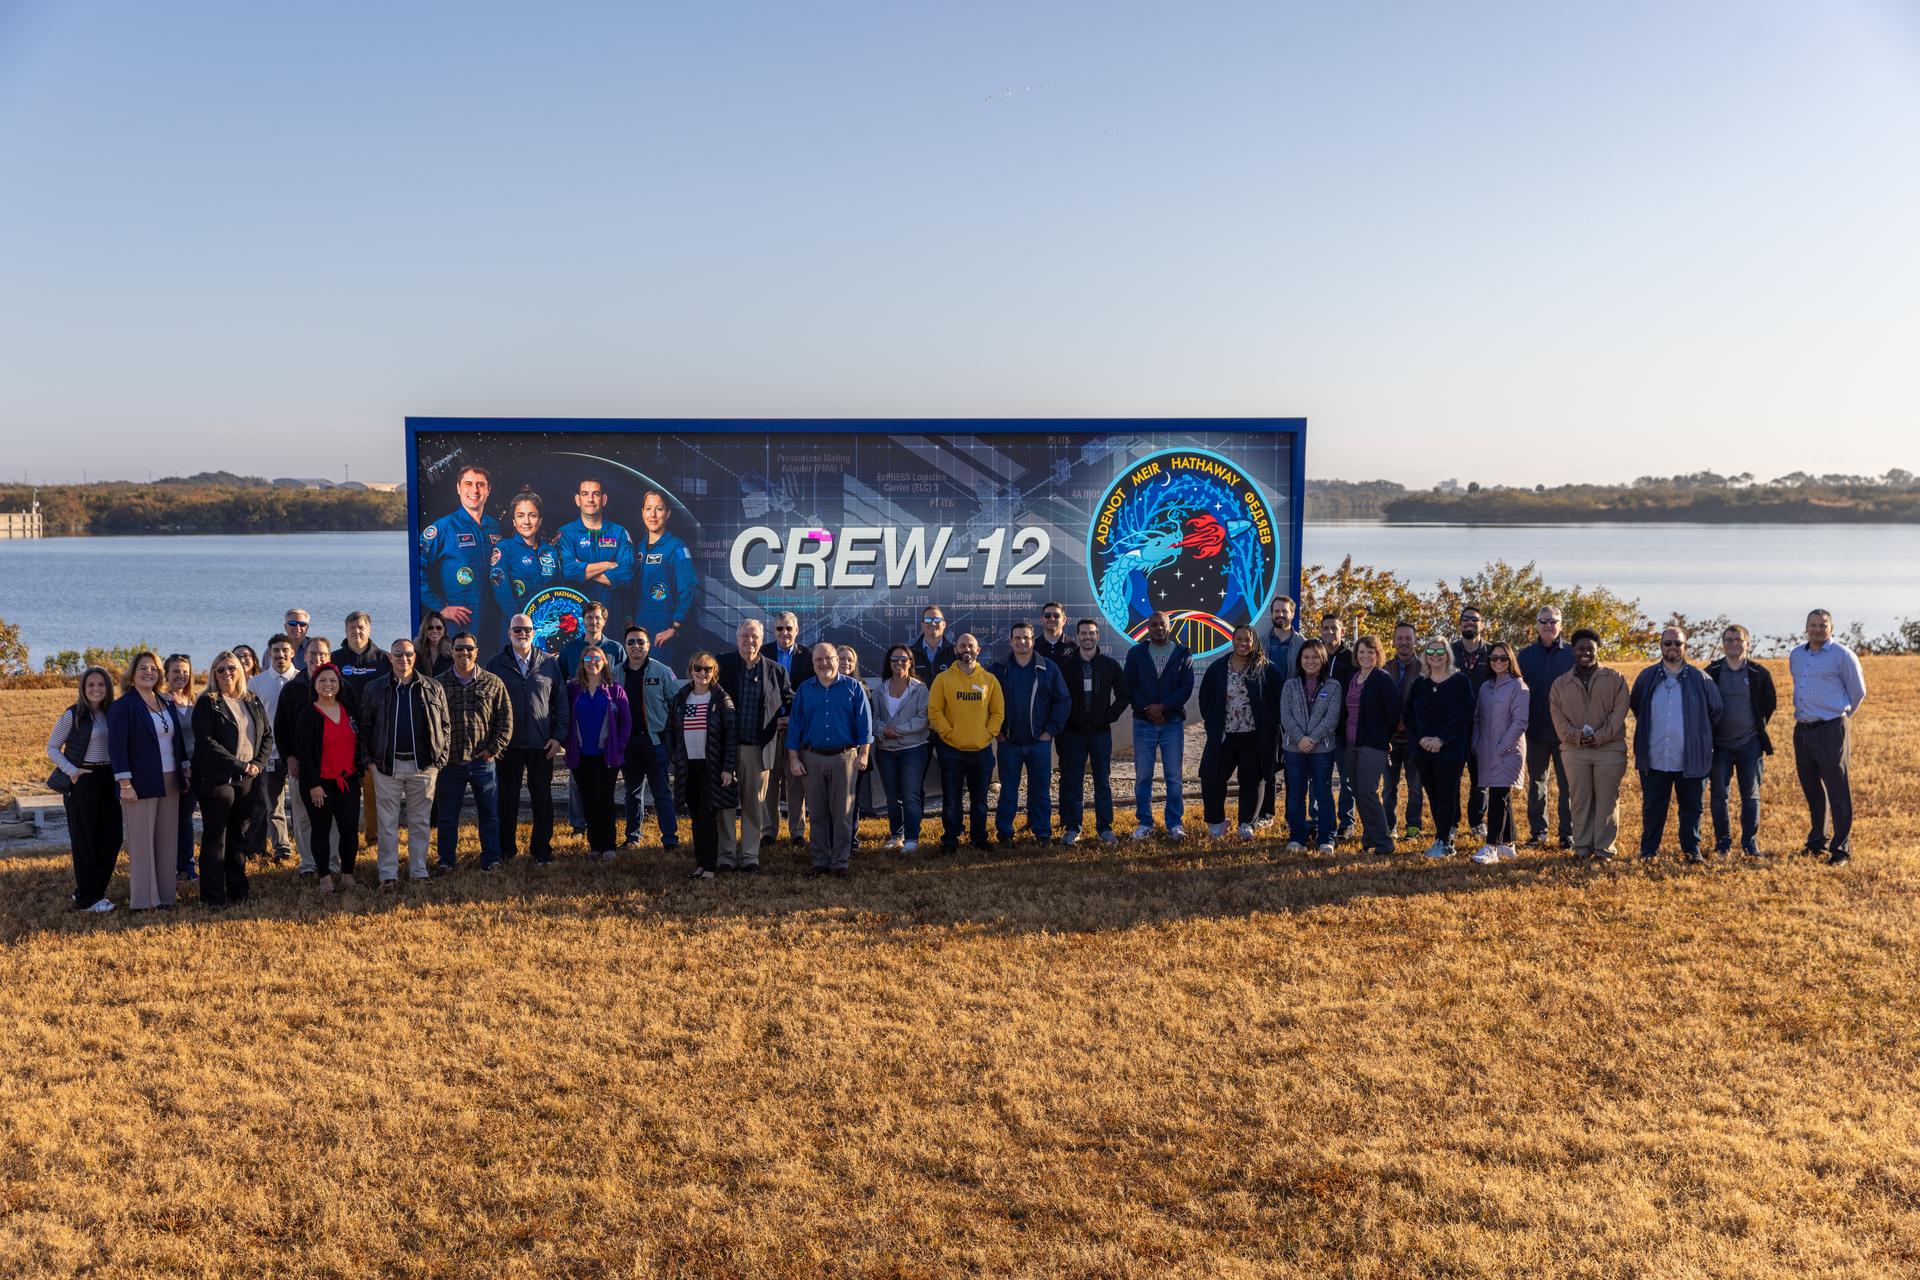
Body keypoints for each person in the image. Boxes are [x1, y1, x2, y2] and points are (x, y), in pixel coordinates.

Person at [1630, 626, 1724, 864]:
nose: (1673, 647)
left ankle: (1692, 850)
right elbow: (1637, 706)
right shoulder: (1647, 677)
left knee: (1692, 808)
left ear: (1685, 647)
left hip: (1690, 758)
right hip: (1655, 756)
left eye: (1678, 643)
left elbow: (1716, 712)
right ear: (1660, 646)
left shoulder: (1701, 679)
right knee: (1653, 807)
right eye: (1668, 643)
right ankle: (1648, 851)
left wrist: (1699, 737)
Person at [361, 639, 451, 886]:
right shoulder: (375, 688)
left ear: (415, 656)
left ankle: (418, 872)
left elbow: (445, 725)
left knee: (420, 822)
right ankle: (388, 874)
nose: (404, 659)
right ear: (390, 658)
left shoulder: (432, 687)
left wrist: (439, 760)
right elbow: (365, 727)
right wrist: (368, 761)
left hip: (422, 766)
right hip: (386, 766)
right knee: (387, 824)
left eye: (408, 654)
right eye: (398, 655)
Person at [485, 613, 571, 865]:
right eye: (517, 630)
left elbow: (561, 703)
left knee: (542, 798)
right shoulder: (495, 664)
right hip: (507, 745)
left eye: (527, 630)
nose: (522, 634)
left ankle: (541, 850)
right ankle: (506, 849)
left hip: (540, 744)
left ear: (535, 633)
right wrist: (493, 741)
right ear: (509, 633)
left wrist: (558, 737)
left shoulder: (548, 663)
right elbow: (486, 706)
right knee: (506, 799)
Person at [191, 651, 273, 906]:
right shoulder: (208, 702)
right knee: (216, 838)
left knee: (239, 837)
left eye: (231, 668)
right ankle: (213, 897)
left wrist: (257, 765)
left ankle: (239, 890)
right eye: (221, 669)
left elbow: (267, 736)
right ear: (214, 674)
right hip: (217, 780)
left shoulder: (253, 701)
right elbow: (207, 743)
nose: (227, 673)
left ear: (240, 670)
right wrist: (240, 765)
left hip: (248, 779)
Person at [785, 646, 874, 875]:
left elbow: (865, 724)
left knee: (843, 814)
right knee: (817, 813)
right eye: (818, 660)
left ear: (837, 660)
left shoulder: (853, 687)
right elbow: (795, 727)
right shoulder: (805, 690)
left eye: (828, 658)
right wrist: (794, 759)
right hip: (812, 757)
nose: (824, 663)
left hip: (844, 758)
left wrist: (864, 753)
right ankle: (820, 862)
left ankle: (840, 863)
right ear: (813, 662)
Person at [1789, 609, 1867, 866]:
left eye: (1822, 625)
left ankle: (1841, 849)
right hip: (1803, 730)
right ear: (1806, 627)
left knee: (1837, 789)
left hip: (1831, 729)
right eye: (1813, 625)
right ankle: (1816, 842)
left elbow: (1858, 692)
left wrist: (1841, 717)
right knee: (1811, 788)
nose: (1817, 629)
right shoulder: (1797, 655)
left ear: (1831, 627)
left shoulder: (1842, 655)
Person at [108, 652, 186, 911]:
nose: (148, 672)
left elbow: (177, 741)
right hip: (138, 782)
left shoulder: (166, 701)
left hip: (170, 779)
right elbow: (117, 749)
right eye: (143, 668)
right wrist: (125, 785)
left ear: (159, 674)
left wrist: (184, 769)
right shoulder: (123, 706)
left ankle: (165, 897)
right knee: (142, 843)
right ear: (132, 673)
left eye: (153, 668)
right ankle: (143, 900)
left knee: (166, 840)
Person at [1549, 629, 1632, 861]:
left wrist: (1600, 736)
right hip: (1574, 750)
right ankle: (1582, 847)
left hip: (1609, 749)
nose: (1585, 652)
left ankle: (1604, 849)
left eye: (1590, 648)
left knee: (1607, 799)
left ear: (1597, 649)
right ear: (1573, 651)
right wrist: (1576, 736)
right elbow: (1557, 716)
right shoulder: (1560, 684)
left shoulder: (1615, 678)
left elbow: (1620, 711)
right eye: (1580, 648)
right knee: (1579, 799)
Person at [274, 634, 352, 876]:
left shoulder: (342, 687)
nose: (317, 658)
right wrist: (288, 757)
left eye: (323, 654)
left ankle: (331, 863)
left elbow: (353, 724)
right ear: (304, 656)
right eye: (313, 653)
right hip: (302, 766)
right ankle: (308, 864)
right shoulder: (292, 689)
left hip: (336, 768)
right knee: (304, 816)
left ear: (330, 657)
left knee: (333, 821)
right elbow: (281, 727)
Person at [434, 631, 513, 872]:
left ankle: (492, 859)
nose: (464, 653)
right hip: (451, 762)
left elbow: (505, 720)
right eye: (459, 648)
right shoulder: (439, 684)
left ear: (476, 652)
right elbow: (430, 722)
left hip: (483, 762)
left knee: (489, 814)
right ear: (452, 651)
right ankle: (446, 861)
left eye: (469, 648)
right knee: (447, 817)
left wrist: (492, 750)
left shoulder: (493, 682)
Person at [715, 619, 789, 871]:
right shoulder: (722, 664)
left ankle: (749, 856)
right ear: (737, 639)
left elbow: (789, 700)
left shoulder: (776, 670)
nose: (749, 641)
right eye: (745, 636)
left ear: (762, 639)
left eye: (754, 636)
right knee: (725, 804)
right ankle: (725, 856)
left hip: (758, 748)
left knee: (753, 805)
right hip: (725, 747)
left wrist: (785, 719)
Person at [47, 666, 121, 912]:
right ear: (83, 688)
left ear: (108, 687)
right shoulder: (73, 714)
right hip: (83, 779)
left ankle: (89, 892)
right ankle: (90, 898)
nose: (96, 689)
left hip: (108, 777)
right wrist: (72, 771)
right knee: (85, 840)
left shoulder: (114, 712)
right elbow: (52, 748)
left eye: (101, 684)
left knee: (111, 838)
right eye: (91, 685)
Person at [988, 621, 1070, 846]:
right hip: (1009, 743)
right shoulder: (998, 669)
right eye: (1017, 638)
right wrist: (998, 734)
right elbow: (985, 703)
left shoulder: (1049, 668)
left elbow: (1063, 702)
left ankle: (1042, 833)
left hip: (1039, 743)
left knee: (1041, 790)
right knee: (1008, 792)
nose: (1022, 642)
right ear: (1010, 641)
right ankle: (1005, 834)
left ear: (1033, 641)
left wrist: (1049, 732)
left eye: (1026, 638)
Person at [419, 464, 516, 650]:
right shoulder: (444, 527)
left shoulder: (494, 526)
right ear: (458, 488)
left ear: (488, 490)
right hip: (462, 621)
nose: (474, 490)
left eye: (480, 484)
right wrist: (440, 607)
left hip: (494, 617)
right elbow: (416, 566)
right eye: (468, 484)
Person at [1200, 624, 1283, 841]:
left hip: (1254, 736)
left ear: (1254, 642)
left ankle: (1247, 823)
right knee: (1212, 776)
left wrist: (1270, 725)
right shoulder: (1219, 668)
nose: (1243, 643)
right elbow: (1205, 698)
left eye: (1247, 640)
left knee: (1251, 780)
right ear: (1232, 640)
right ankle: (1217, 822)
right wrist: (1213, 725)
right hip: (1224, 735)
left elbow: (1279, 699)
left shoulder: (1265, 668)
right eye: (1239, 639)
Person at [1705, 624, 1777, 859]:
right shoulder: (1711, 672)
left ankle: (1749, 842)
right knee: (1718, 795)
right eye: (1729, 639)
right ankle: (1723, 843)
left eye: (1739, 640)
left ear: (1747, 643)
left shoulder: (1759, 673)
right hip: (1720, 745)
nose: (1734, 643)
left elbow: (1769, 705)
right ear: (1722, 643)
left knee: (1751, 795)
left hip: (1750, 744)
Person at [927, 634, 1003, 854]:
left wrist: (987, 734)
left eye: (970, 645)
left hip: (981, 751)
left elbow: (998, 712)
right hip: (951, 751)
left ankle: (979, 838)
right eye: (962, 645)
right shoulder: (943, 680)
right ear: (955, 650)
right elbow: (935, 711)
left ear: (978, 650)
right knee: (951, 800)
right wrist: (949, 734)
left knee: (980, 801)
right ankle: (950, 840)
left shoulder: (989, 680)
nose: (966, 648)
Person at [665, 651, 737, 879]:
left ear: (714, 672)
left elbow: (731, 736)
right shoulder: (680, 699)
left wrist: (728, 767)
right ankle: (700, 863)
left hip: (712, 767)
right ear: (691, 671)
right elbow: (669, 731)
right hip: (688, 767)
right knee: (696, 817)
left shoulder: (720, 699)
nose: (702, 673)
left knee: (708, 817)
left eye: (707, 669)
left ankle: (710, 866)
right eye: (698, 668)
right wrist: (674, 758)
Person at [558, 601, 628, 835]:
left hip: (606, 730)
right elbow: (560, 687)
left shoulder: (616, 648)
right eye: (589, 617)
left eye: (597, 617)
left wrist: (618, 740)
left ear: (604, 620)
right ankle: (579, 826)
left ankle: (605, 836)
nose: (593, 621)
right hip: (579, 732)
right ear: (583, 620)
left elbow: (620, 687)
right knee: (578, 785)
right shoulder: (570, 649)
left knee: (604, 790)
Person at [1124, 611, 1195, 840]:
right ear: (1148, 627)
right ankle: (1145, 823)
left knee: (1173, 777)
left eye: (1162, 624)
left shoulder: (1183, 653)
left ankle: (1174, 824)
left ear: (1169, 626)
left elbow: (1186, 688)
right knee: (1143, 776)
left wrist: (1163, 707)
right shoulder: (1136, 653)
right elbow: (1130, 686)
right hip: (1143, 723)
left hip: (1172, 723)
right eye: (1153, 624)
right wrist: (1148, 709)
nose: (1158, 628)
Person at [292, 663, 362, 893]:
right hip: (319, 783)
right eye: (322, 680)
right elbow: (305, 754)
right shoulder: (308, 714)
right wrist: (313, 785)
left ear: (340, 683)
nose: (328, 685)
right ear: (315, 684)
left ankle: (348, 873)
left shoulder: (350, 709)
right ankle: (324, 876)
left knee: (350, 829)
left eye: (332, 680)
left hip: (348, 780)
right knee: (321, 829)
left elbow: (359, 742)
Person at [1056, 619, 1127, 845]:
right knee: (1072, 780)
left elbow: (1124, 695)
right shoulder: (1066, 666)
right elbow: (1056, 697)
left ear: (1098, 636)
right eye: (1083, 633)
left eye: (1092, 633)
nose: (1088, 637)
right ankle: (1072, 827)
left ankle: (1105, 828)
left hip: (1100, 733)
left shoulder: (1109, 665)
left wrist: (1109, 716)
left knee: (1102, 781)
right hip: (1073, 734)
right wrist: (1065, 721)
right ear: (1077, 637)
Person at [1404, 636, 1474, 858]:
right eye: (1431, 652)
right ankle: (1444, 833)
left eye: (1440, 652)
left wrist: (1441, 740)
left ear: (1448, 654)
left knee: (1446, 793)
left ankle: (1444, 841)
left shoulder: (1460, 681)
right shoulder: (1420, 683)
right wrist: (1421, 739)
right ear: (1426, 656)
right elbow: (1409, 716)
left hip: (1451, 749)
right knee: (1433, 794)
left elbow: (1464, 715)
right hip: (1423, 749)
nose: (1436, 656)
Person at [618, 626, 684, 850]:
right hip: (628, 744)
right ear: (625, 646)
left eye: (640, 642)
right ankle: (633, 837)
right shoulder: (616, 673)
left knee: (662, 793)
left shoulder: (663, 671)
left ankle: (670, 839)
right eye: (631, 642)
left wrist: (670, 738)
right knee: (632, 793)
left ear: (648, 645)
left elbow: (677, 704)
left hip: (655, 742)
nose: (636, 646)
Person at [564, 647, 632, 860]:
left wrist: (618, 745)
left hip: (607, 756)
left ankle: (609, 845)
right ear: (582, 663)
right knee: (588, 800)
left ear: (603, 662)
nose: (592, 662)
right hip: (580, 756)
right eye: (588, 658)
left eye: (597, 658)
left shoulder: (615, 690)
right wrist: (567, 744)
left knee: (604, 800)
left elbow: (626, 722)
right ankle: (595, 846)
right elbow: (564, 719)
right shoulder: (572, 689)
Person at [1517, 606, 1577, 848]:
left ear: (1561, 624)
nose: (1548, 626)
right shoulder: (1525, 655)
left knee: (1567, 785)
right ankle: (1538, 832)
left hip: (1566, 733)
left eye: (1553, 621)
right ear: (1537, 625)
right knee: (1537, 783)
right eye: (1543, 621)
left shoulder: (1573, 653)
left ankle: (1567, 834)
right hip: (1536, 730)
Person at [1339, 636, 1402, 856]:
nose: (1365, 656)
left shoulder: (1382, 679)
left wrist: (1384, 736)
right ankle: (1369, 838)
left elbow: (1394, 713)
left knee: (1367, 791)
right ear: (1356, 655)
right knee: (1357, 791)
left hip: (1373, 745)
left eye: (1370, 652)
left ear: (1378, 655)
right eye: (1362, 652)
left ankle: (1384, 842)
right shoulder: (1352, 678)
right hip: (1350, 743)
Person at [1280, 638, 1342, 853]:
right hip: (1294, 749)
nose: (1310, 661)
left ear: (1323, 659)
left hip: (1322, 750)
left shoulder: (1333, 686)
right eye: (1306, 657)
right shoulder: (1290, 685)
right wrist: (1300, 739)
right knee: (1296, 794)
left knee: (1323, 793)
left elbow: (1331, 719)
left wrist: (1312, 739)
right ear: (1300, 660)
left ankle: (1327, 838)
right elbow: (1285, 717)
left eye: (1315, 656)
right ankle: (1297, 837)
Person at [1468, 641, 1527, 865]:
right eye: (1494, 658)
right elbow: (1477, 718)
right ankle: (1508, 843)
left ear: (1510, 660)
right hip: (1486, 749)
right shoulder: (1485, 687)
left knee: (1498, 796)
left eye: (1503, 658)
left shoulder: (1519, 686)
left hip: (1508, 751)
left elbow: (1520, 722)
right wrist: (1476, 742)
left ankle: (1491, 846)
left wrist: (1503, 746)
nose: (1498, 662)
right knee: (1501, 795)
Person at [871, 644, 931, 851]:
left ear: (910, 662)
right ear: (889, 663)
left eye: (903, 659)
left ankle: (912, 839)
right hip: (886, 751)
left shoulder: (920, 689)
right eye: (894, 659)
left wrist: (896, 730)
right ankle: (896, 834)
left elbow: (923, 719)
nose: (899, 663)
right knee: (892, 797)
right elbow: (874, 719)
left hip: (913, 749)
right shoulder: (880, 690)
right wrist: (882, 730)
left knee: (910, 795)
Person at [555, 476, 637, 625]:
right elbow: (568, 571)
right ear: (577, 500)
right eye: (585, 494)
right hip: (576, 618)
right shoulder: (566, 533)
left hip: (612, 617)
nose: (590, 499)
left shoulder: (619, 533)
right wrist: (607, 564)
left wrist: (582, 568)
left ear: (604, 499)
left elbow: (627, 575)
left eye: (596, 494)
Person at [336, 611, 389, 838]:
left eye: (361, 627)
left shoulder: (383, 659)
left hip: (374, 734)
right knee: (344, 788)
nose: (356, 632)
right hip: (342, 733)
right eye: (352, 628)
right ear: (346, 630)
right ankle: (345, 835)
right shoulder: (334, 659)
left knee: (372, 788)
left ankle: (373, 835)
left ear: (369, 630)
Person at [247, 634, 298, 864]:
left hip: (297, 753)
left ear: (293, 652)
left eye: (285, 650)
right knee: (273, 804)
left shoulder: (301, 679)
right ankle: (282, 847)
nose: (280, 655)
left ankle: (304, 843)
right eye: (276, 651)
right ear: (269, 653)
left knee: (301, 803)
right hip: (269, 753)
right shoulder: (256, 683)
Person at [1257, 595, 1306, 826]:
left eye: (1284, 611)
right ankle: (1266, 814)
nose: (1280, 615)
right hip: (1267, 713)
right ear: (1271, 613)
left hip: (1294, 715)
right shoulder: (1261, 643)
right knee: (1266, 766)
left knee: (1293, 768)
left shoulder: (1302, 644)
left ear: (1292, 613)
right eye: (1276, 611)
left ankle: (1292, 817)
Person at [634, 488, 698, 665]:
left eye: (659, 509)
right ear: (642, 512)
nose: (653, 515)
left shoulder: (676, 547)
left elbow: (689, 587)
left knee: (658, 682)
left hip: (662, 628)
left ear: (668, 513)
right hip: (639, 628)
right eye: (648, 508)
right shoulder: (638, 548)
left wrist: (674, 627)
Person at [766, 611, 811, 847]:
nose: (784, 633)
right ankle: (769, 831)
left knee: (796, 783)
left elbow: (812, 695)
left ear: (797, 629)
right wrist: (775, 721)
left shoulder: (810, 656)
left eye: (789, 628)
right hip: (770, 730)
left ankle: (797, 832)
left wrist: (793, 719)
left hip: (797, 729)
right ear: (774, 631)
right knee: (770, 782)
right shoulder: (763, 654)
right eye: (779, 629)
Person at [1451, 606, 1497, 838]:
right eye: (1465, 619)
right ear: (1460, 624)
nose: (1469, 623)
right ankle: (1452, 821)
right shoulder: (1449, 651)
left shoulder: (1493, 654)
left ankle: (1477, 822)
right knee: (1452, 777)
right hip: (1455, 726)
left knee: (1481, 780)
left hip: (1484, 725)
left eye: (1475, 620)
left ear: (1482, 624)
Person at [1380, 622, 1426, 840]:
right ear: (1393, 641)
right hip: (1390, 740)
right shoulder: (1385, 668)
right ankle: (1390, 827)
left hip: (1415, 740)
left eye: (1408, 638)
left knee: (1416, 788)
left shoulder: (1425, 668)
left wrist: (1409, 722)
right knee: (1389, 788)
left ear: (1415, 641)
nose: (1404, 642)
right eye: (1400, 638)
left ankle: (1413, 829)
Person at [1315, 613, 1358, 836]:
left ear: (1342, 631)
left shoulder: (1352, 658)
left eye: (1334, 628)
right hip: (1318, 728)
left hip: (1344, 728)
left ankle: (1346, 822)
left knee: (1346, 778)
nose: (1330, 632)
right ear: (1320, 630)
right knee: (1318, 777)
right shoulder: (1314, 656)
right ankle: (1318, 819)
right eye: (1326, 628)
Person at [161, 653, 199, 883]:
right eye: (176, 671)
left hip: (195, 771)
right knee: (169, 820)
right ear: (166, 674)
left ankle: (186, 866)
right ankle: (168, 866)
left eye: (185, 671)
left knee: (185, 819)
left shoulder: (195, 701)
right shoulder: (160, 702)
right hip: (171, 769)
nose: (181, 676)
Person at [500, 488, 564, 614]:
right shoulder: (504, 549)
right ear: (514, 521)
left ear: (540, 520)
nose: (527, 522)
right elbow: (502, 592)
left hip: (546, 624)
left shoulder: (551, 551)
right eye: (520, 516)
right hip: (516, 626)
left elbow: (559, 590)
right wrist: (519, 622)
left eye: (532, 515)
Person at [910, 606, 956, 684]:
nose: (933, 623)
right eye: (928, 620)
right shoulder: (910, 653)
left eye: (937, 620)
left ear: (944, 624)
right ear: (922, 624)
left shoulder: (954, 652)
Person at [414, 611, 454, 677]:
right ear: (425, 630)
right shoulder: (414, 652)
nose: (435, 631)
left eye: (438, 628)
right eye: (430, 628)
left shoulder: (451, 653)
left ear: (443, 630)